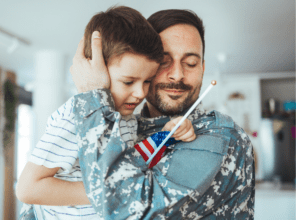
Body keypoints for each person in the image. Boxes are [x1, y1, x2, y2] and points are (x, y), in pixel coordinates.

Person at [70, 9, 255, 219]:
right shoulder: (123, 125)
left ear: (202, 68)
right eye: (164, 61)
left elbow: (126, 209)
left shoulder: (220, 135)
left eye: (191, 63)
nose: (177, 75)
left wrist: (93, 96)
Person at [16, 6, 196, 220]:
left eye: (147, 81)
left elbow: (125, 164)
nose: (140, 93)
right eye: (128, 81)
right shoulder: (74, 117)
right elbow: (27, 189)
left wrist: (166, 136)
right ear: (96, 69)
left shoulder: (125, 117)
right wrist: (109, 193)